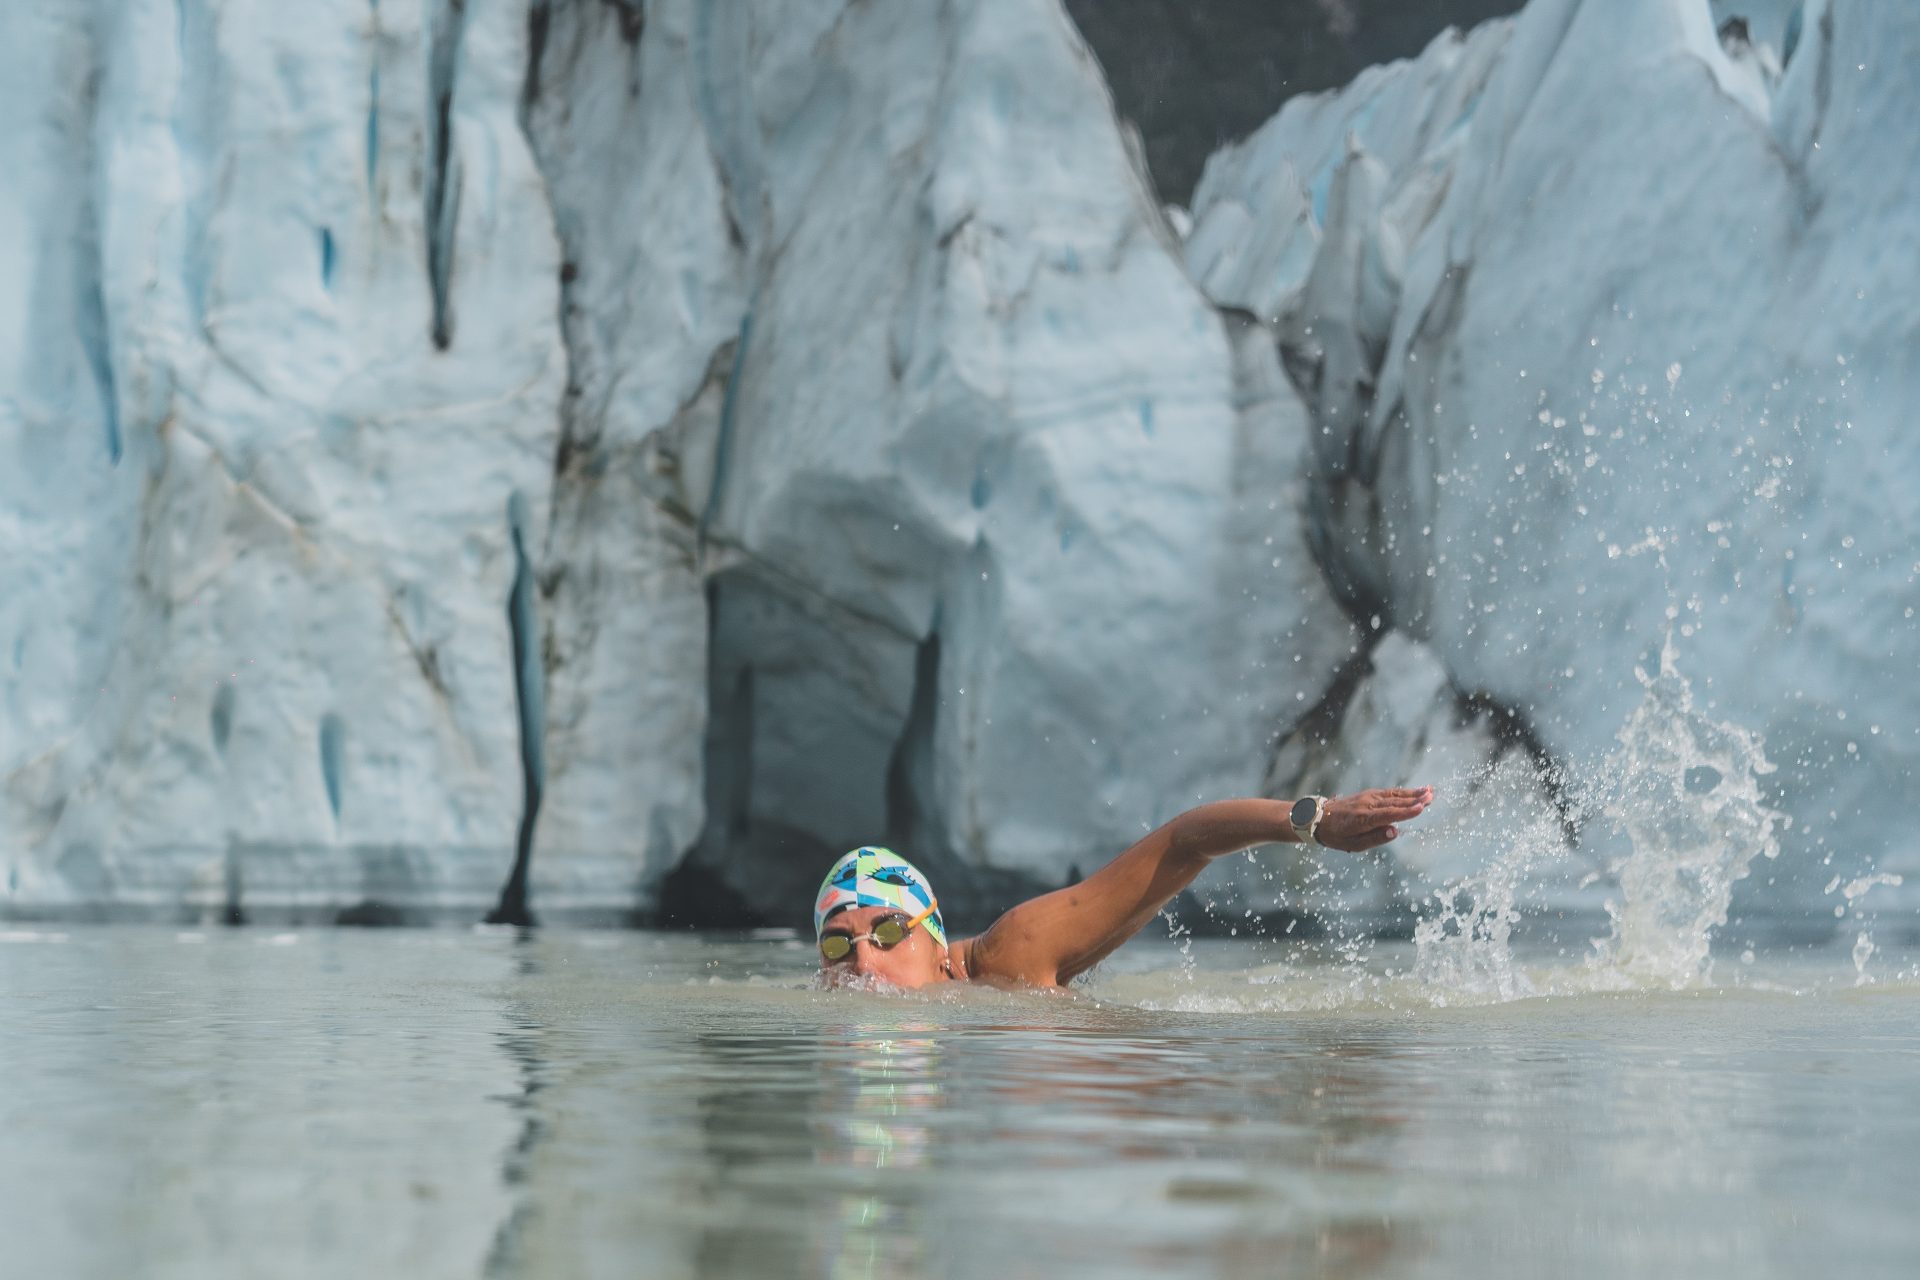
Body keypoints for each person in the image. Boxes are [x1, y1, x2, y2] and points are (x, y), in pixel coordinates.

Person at [813, 787, 1433, 989]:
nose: (863, 961)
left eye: (888, 932)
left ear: (933, 933)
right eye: (839, 947)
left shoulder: (1009, 955)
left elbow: (1185, 842)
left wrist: (1314, 821)